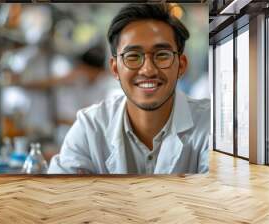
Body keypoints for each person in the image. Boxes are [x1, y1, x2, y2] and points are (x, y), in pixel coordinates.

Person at [48, 3, 210, 174]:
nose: (148, 69)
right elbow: (58, 194)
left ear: (181, 66)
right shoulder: (90, 127)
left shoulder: (209, 125)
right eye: (133, 56)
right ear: (115, 68)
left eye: (162, 55)